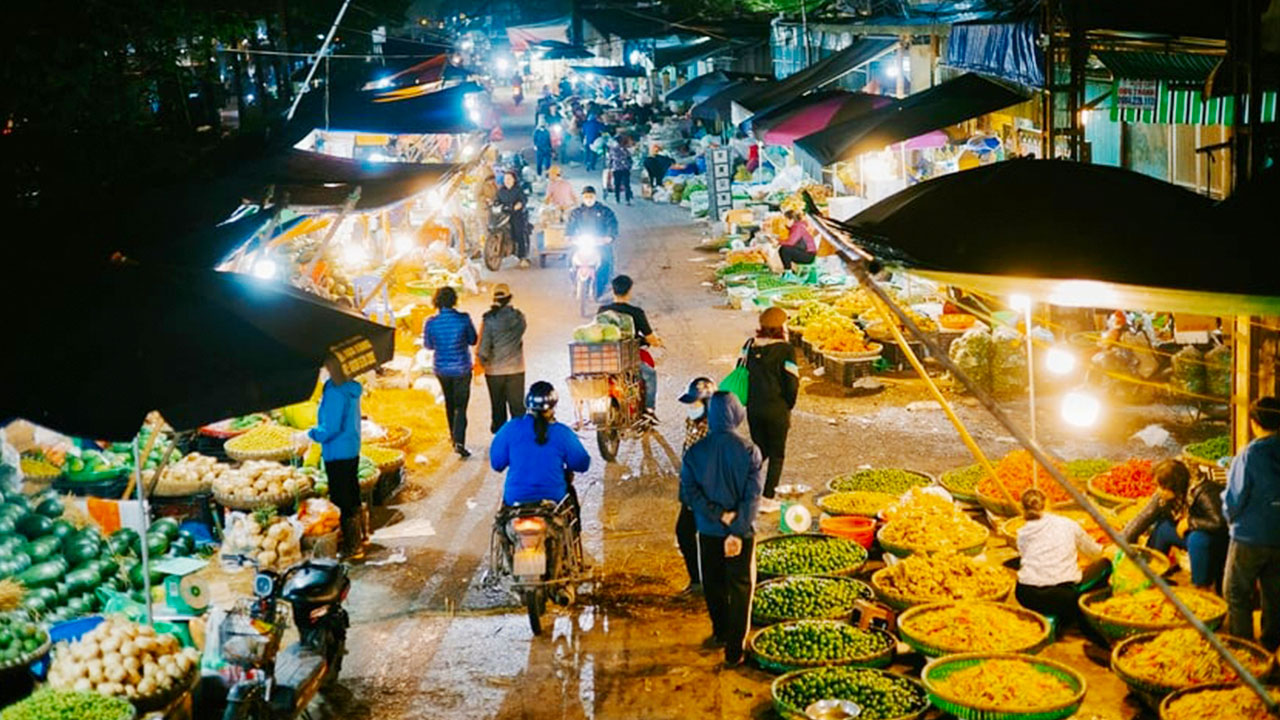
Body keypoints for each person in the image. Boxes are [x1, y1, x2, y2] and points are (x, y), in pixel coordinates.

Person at [680, 391, 764, 667]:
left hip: (708, 532)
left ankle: (720, 632)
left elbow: (690, 495)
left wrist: (719, 516)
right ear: (736, 414)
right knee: (740, 588)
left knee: (713, 584)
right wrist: (737, 530)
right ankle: (734, 649)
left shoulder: (694, 453)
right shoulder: (750, 451)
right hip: (741, 534)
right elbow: (753, 498)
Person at [1223, 396, 1280, 651]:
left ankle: (1244, 651)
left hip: (1250, 537)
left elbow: (1235, 498)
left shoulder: (1250, 454)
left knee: (1237, 593)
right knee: (1275, 597)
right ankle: (1269, 649)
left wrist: (1230, 518)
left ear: (1255, 422)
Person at [1121, 459, 1229, 590]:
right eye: (1158, 486)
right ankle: (1153, 573)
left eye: (1163, 488)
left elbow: (1220, 522)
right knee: (1163, 528)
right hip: (1191, 532)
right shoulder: (1164, 496)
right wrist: (1122, 543)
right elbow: (1144, 517)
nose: (1159, 491)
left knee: (1197, 539)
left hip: (1217, 539)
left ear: (1176, 487)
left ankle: (1201, 586)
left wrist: (1190, 522)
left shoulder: (1203, 491)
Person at [1014, 488, 1108, 629]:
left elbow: (1027, 557)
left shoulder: (1022, 532)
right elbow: (1095, 552)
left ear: (1023, 509)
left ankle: (1056, 615)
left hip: (1025, 594)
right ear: (1048, 504)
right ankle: (1076, 615)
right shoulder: (1067, 524)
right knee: (1106, 564)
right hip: (1061, 596)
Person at [306, 356, 364, 557]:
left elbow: (330, 427)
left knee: (342, 498)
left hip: (337, 451)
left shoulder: (334, 390)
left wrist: (311, 434)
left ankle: (352, 546)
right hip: (351, 446)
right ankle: (360, 537)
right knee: (352, 492)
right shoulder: (351, 386)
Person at [744, 307, 799, 513]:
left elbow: (741, 371)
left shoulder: (749, 345)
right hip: (776, 409)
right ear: (781, 327)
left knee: (760, 450)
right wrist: (788, 405)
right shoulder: (786, 350)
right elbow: (791, 384)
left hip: (753, 407)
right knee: (776, 454)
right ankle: (767, 499)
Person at [423, 286, 478, 458]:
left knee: (449, 402)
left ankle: (453, 437)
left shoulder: (431, 322)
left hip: (442, 370)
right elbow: (473, 339)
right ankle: (460, 441)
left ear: (436, 302)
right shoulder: (463, 319)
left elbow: (428, 345)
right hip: (462, 368)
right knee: (461, 407)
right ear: (454, 300)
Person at [599, 275, 662, 420]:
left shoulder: (603, 311)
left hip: (606, 359)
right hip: (628, 359)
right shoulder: (636, 312)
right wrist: (656, 342)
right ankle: (649, 410)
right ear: (629, 291)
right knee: (650, 375)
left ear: (612, 291)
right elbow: (650, 337)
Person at [674, 377, 714, 594]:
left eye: (694, 404)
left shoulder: (715, 430)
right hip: (690, 486)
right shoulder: (692, 421)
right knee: (684, 533)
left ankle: (705, 583)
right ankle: (698, 581)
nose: (690, 408)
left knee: (700, 536)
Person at [478, 284, 527, 434]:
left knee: (498, 407)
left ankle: (501, 438)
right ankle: (520, 438)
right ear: (509, 298)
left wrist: (481, 362)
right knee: (518, 408)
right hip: (516, 369)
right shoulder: (519, 317)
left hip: (494, 372)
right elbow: (521, 332)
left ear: (494, 299)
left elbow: (484, 348)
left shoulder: (489, 319)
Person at [566, 186, 619, 299]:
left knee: (606, 261)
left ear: (595, 196)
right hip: (582, 243)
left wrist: (609, 237)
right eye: (586, 196)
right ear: (582, 197)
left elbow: (612, 224)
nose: (588, 199)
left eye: (591, 196)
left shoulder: (604, 211)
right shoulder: (577, 212)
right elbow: (570, 225)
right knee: (570, 259)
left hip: (599, 243)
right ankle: (574, 283)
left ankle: (605, 284)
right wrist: (569, 236)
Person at [496, 170, 531, 268]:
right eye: (505, 179)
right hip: (503, 215)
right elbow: (496, 200)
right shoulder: (501, 191)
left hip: (517, 215)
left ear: (514, 180)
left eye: (509, 179)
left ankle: (522, 257)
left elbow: (523, 200)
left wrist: (518, 205)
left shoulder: (518, 190)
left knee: (519, 234)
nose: (507, 181)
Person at [608, 139, 634, 205]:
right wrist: (630, 165)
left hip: (617, 169)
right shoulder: (626, 149)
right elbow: (629, 158)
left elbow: (611, 159)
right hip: (624, 169)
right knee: (626, 184)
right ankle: (627, 199)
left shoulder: (613, 149)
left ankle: (618, 199)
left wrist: (610, 167)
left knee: (617, 184)